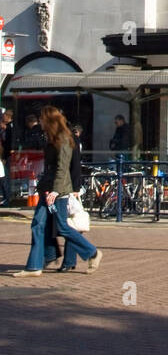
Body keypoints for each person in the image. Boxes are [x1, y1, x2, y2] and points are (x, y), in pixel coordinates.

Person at [11, 106, 102, 277]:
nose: (41, 122)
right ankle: (34, 266)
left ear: (50, 120)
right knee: (38, 224)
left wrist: (56, 191)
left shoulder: (65, 139)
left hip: (58, 191)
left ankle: (92, 252)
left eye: (43, 119)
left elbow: (62, 168)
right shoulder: (52, 139)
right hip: (48, 189)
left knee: (62, 226)